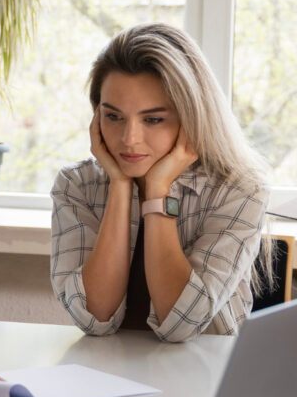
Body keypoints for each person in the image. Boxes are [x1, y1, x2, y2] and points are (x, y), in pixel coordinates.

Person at [50, 22, 271, 342]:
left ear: (192, 117)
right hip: (105, 375)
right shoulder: (76, 185)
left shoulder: (240, 189)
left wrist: (157, 191)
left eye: (153, 119)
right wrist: (120, 185)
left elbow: (184, 323)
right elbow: (93, 317)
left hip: (204, 378)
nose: (129, 139)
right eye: (113, 116)